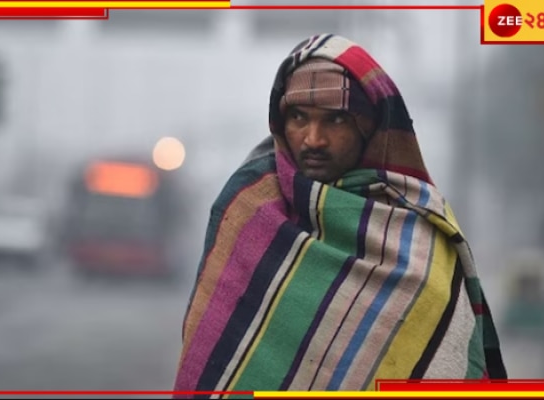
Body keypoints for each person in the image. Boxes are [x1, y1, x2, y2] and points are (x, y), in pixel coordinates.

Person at [174, 34, 507, 396]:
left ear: (369, 128)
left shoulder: (417, 228)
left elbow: (443, 358)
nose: (312, 139)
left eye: (335, 120)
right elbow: (214, 348)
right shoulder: (247, 205)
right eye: (299, 117)